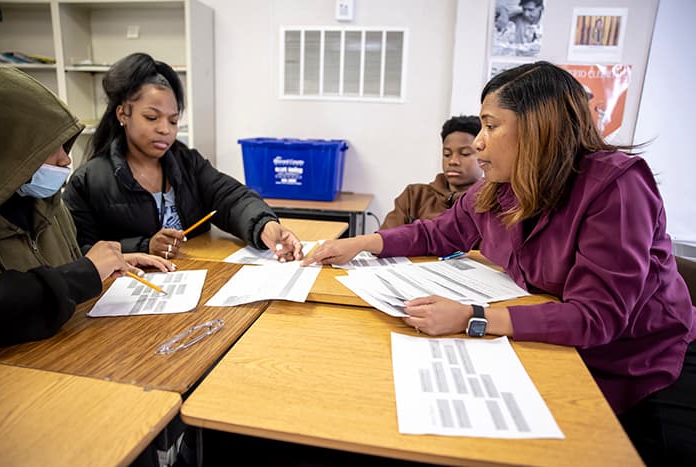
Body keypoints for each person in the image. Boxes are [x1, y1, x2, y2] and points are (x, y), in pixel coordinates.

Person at [304, 61, 696, 466]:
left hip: (641, 362)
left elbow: (597, 317)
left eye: (491, 126)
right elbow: (437, 233)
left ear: (537, 127)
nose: (478, 143)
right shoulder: (499, 185)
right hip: (558, 349)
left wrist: (472, 318)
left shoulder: (616, 186)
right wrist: (364, 243)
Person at [63, 53, 303, 262]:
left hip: (195, 281)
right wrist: (145, 246)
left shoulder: (186, 161)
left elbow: (230, 197)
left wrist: (265, 226)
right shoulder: (87, 182)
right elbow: (78, 252)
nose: (165, 129)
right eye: (151, 117)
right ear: (123, 114)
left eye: (173, 120)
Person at [0, 66, 174, 347]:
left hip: (73, 346)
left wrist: (105, 264)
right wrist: (85, 272)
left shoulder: (49, 205)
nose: (65, 160)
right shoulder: (91, 177)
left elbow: (58, 266)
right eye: (47, 148)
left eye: (65, 146)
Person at [380, 115, 482, 229]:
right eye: (447, 154)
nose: (453, 161)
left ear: (484, 155)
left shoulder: (489, 204)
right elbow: (386, 240)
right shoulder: (414, 196)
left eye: (465, 154)